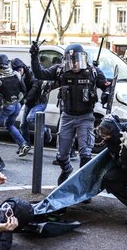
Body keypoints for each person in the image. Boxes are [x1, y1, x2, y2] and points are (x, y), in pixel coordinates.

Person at [29, 42, 110, 185]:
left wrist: (107, 94)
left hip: (85, 117)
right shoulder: (60, 71)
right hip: (67, 116)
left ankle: (83, 186)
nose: (74, 64)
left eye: (77, 60)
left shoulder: (93, 72)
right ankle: (66, 169)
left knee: (85, 155)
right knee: (61, 156)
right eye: (71, 60)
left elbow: (107, 87)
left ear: (83, 58)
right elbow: (40, 74)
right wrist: (34, 56)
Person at [0, 54, 29, 157]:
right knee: (9, 125)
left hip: (6, 107)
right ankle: (23, 144)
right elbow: (24, 90)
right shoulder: (16, 74)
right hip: (17, 106)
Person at [12, 58, 53, 147]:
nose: (19, 73)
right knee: (23, 125)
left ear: (22, 67)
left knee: (30, 118)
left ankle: (46, 130)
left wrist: (24, 100)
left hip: (39, 101)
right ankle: (26, 145)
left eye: (19, 70)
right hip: (29, 102)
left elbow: (34, 90)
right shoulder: (19, 76)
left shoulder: (33, 74)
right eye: (16, 71)